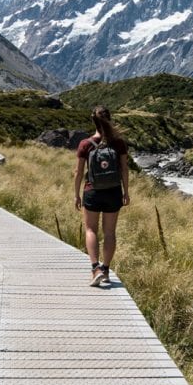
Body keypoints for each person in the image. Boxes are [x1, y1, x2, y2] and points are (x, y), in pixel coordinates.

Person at [74, 105, 130, 287]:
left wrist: (76, 194)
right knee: (109, 232)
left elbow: (79, 172)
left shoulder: (86, 144)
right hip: (113, 192)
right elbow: (124, 170)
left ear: (93, 121)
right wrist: (126, 192)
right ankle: (106, 270)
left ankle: (95, 268)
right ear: (109, 119)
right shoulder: (119, 143)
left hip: (92, 192)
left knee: (91, 230)